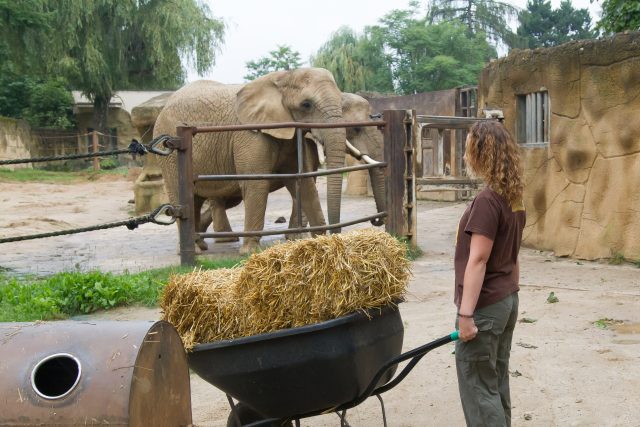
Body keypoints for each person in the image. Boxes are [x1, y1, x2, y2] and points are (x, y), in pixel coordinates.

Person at [454, 121, 525, 427]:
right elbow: (513, 253)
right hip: (506, 301)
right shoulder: (513, 196)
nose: (466, 153)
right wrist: (510, 290)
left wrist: (466, 315)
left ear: (480, 152)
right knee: (494, 377)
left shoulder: (487, 200)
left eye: (469, 146)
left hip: (485, 307)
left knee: (478, 383)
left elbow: (479, 259)